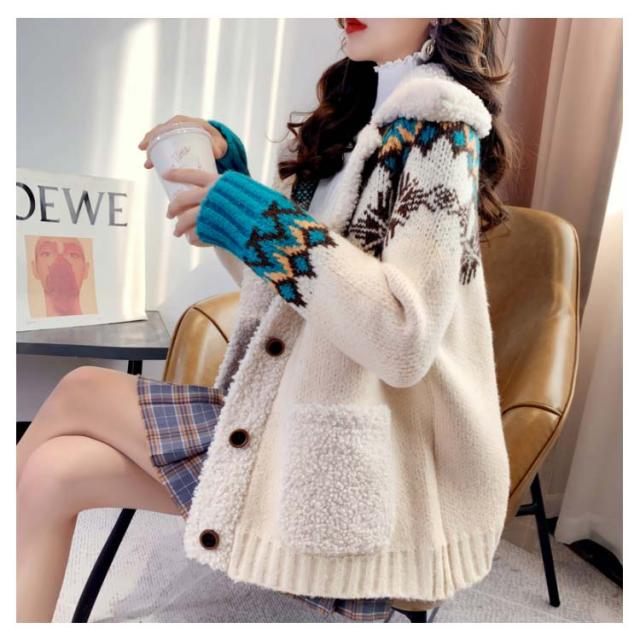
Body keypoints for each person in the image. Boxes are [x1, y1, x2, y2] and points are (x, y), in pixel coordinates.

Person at [17, 18, 517, 623]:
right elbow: (287, 296)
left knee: (79, 392)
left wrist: (257, 220)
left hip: (363, 469)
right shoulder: (352, 124)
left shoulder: (440, 129)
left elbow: (402, 336)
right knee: (54, 473)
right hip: (288, 416)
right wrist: (234, 188)